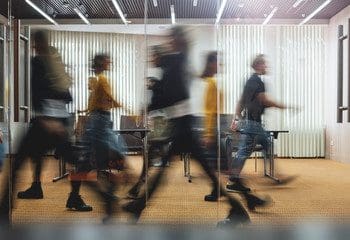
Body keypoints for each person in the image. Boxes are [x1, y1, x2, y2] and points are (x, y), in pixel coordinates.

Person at [123, 26, 251, 227]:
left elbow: (172, 94)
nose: (169, 42)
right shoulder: (180, 60)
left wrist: (149, 106)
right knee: (199, 170)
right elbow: (171, 91)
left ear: (178, 40)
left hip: (183, 124)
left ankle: (139, 206)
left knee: (169, 168)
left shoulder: (177, 60)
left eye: (171, 38)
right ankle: (238, 208)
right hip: (182, 123)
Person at [0, 31, 92, 225]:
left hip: (46, 122)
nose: (34, 46)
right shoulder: (56, 67)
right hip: (59, 121)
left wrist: (48, 116)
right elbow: (68, 98)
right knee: (71, 160)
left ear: (38, 43)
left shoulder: (39, 62)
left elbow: (37, 94)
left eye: (35, 42)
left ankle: (4, 211)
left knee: (19, 162)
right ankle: (66, 194)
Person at [228, 54, 293, 193]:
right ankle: (233, 179)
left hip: (249, 121)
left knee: (260, 145)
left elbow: (241, 101)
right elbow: (264, 101)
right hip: (253, 123)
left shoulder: (249, 81)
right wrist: (284, 106)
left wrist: (237, 119)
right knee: (246, 150)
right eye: (264, 64)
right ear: (258, 65)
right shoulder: (258, 81)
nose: (266, 66)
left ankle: (234, 179)